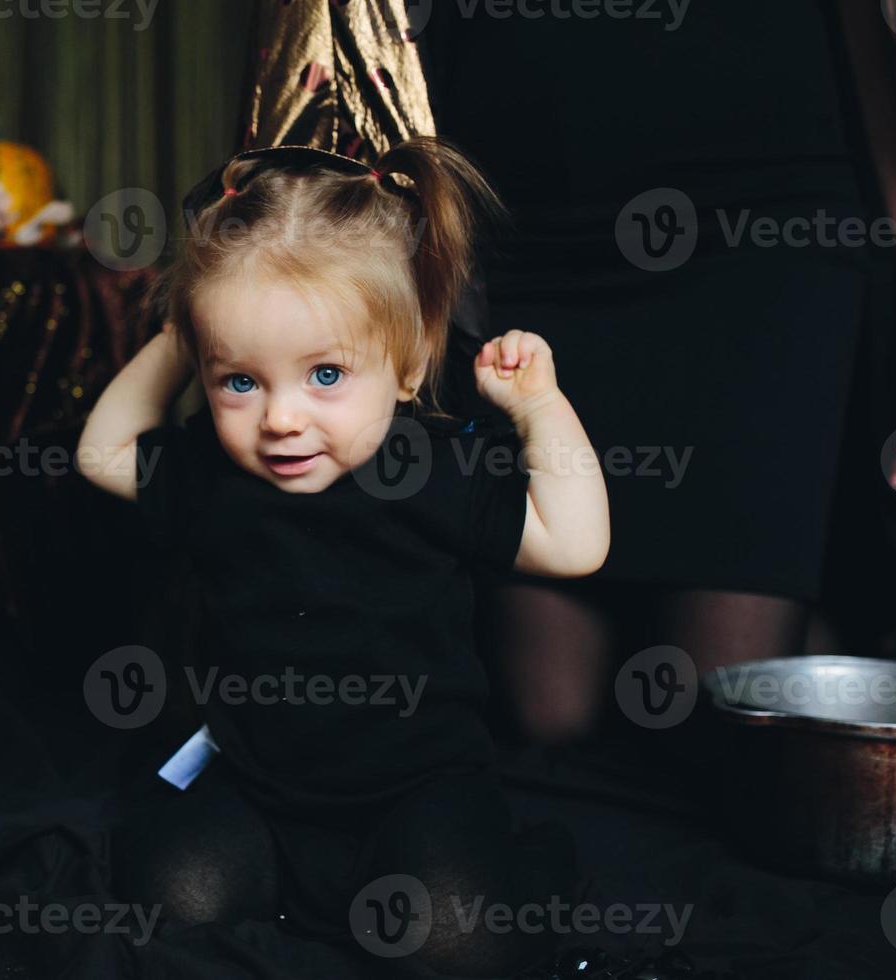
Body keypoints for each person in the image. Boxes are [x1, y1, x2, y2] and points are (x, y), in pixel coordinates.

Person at [75, 137, 609, 975]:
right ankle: (288, 886)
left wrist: (540, 408)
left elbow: (575, 548)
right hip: (259, 785)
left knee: (465, 941)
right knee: (163, 898)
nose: (282, 418)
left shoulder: (426, 466)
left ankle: (504, 871)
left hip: (419, 789)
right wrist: (189, 334)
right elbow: (101, 453)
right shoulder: (213, 472)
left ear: (406, 365)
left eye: (325, 374)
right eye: (239, 381)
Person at [418, 0, 896, 742]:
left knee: (711, 700)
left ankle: (834, 632)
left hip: (762, 219)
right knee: (546, 707)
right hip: (531, 220)